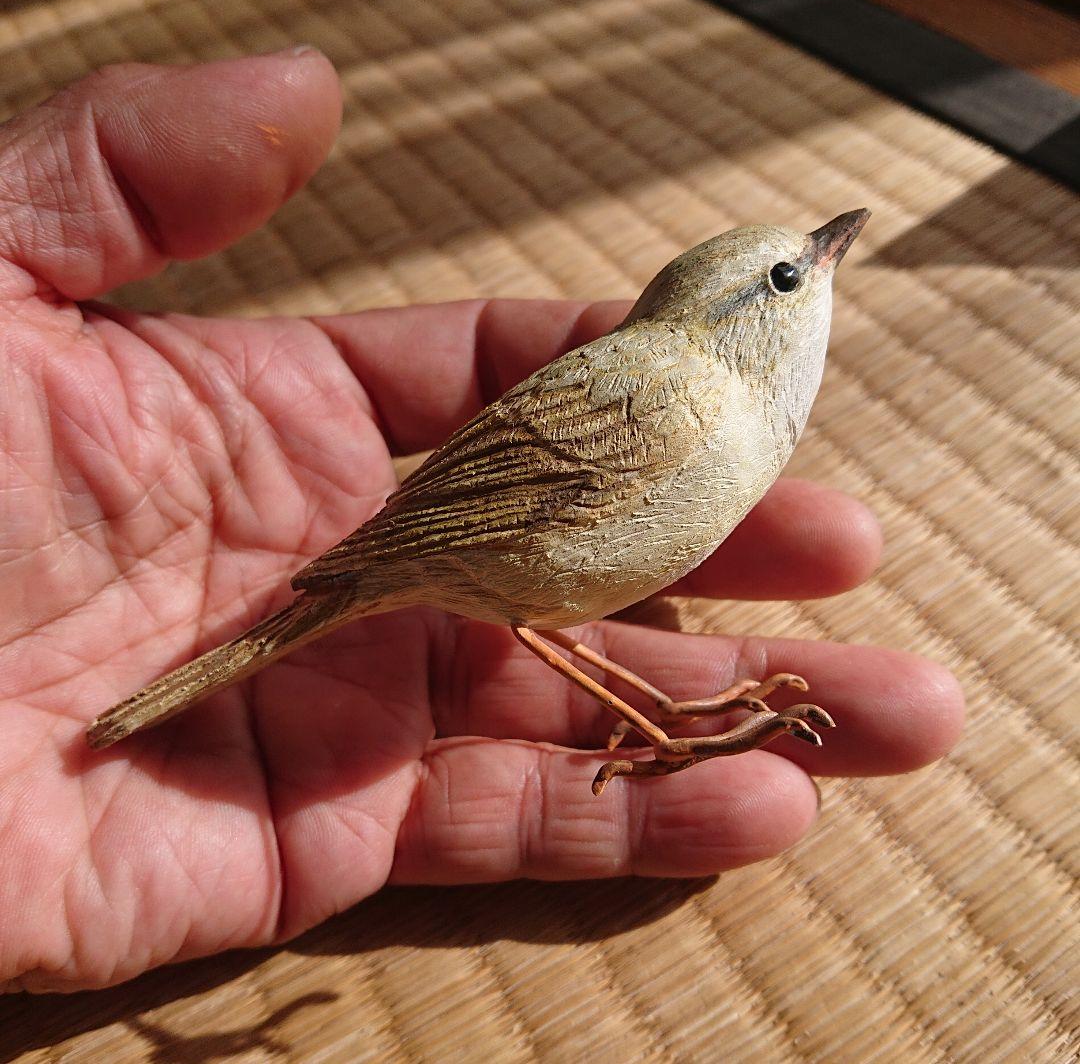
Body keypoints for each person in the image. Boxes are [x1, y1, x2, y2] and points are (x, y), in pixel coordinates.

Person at [0, 50, 963, 993]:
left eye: (798, 262)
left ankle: (666, 723)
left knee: (535, 615)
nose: (819, 257)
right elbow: (509, 498)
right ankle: (665, 726)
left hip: (505, 561)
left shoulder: (717, 396)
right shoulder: (686, 398)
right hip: (485, 537)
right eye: (790, 275)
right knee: (531, 612)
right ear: (745, 311)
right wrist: (382, 550)